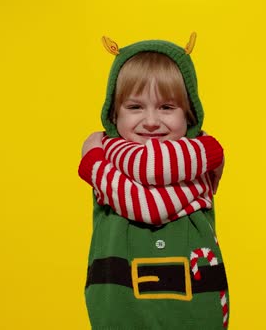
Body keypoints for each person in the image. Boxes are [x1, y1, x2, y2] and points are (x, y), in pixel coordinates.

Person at [78, 33, 229, 329]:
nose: (150, 121)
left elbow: (151, 178)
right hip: (120, 317)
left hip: (195, 316)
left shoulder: (99, 159)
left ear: (189, 115)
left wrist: (92, 163)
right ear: (113, 114)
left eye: (166, 107)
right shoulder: (111, 156)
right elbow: (148, 198)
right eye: (135, 107)